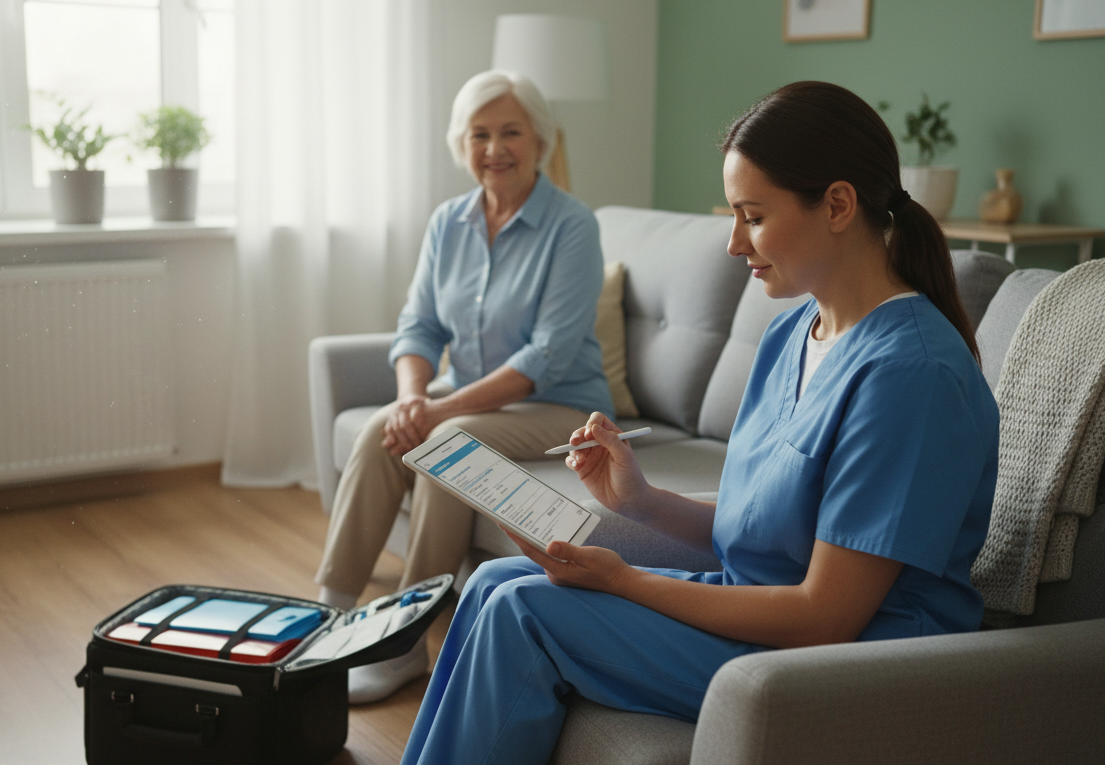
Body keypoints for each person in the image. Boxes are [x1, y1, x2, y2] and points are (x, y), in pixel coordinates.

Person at [401, 81, 1001, 764]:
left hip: (845, 662)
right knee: (491, 582)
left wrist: (623, 578)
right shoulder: (792, 334)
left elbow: (825, 615)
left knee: (522, 613)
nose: (733, 243)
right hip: (758, 611)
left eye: (752, 216)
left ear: (838, 204)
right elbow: (765, 530)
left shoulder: (911, 374)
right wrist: (642, 502)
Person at [314, 70, 614, 703]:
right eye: (480, 134)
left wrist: (438, 410)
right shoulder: (448, 222)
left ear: (540, 139)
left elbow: (546, 357)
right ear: (462, 143)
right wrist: (411, 399)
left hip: (559, 404)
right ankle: (328, 616)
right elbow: (419, 326)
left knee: (447, 442)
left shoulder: (572, 226)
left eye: (511, 132)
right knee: (382, 430)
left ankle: (403, 644)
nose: (494, 148)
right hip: (467, 396)